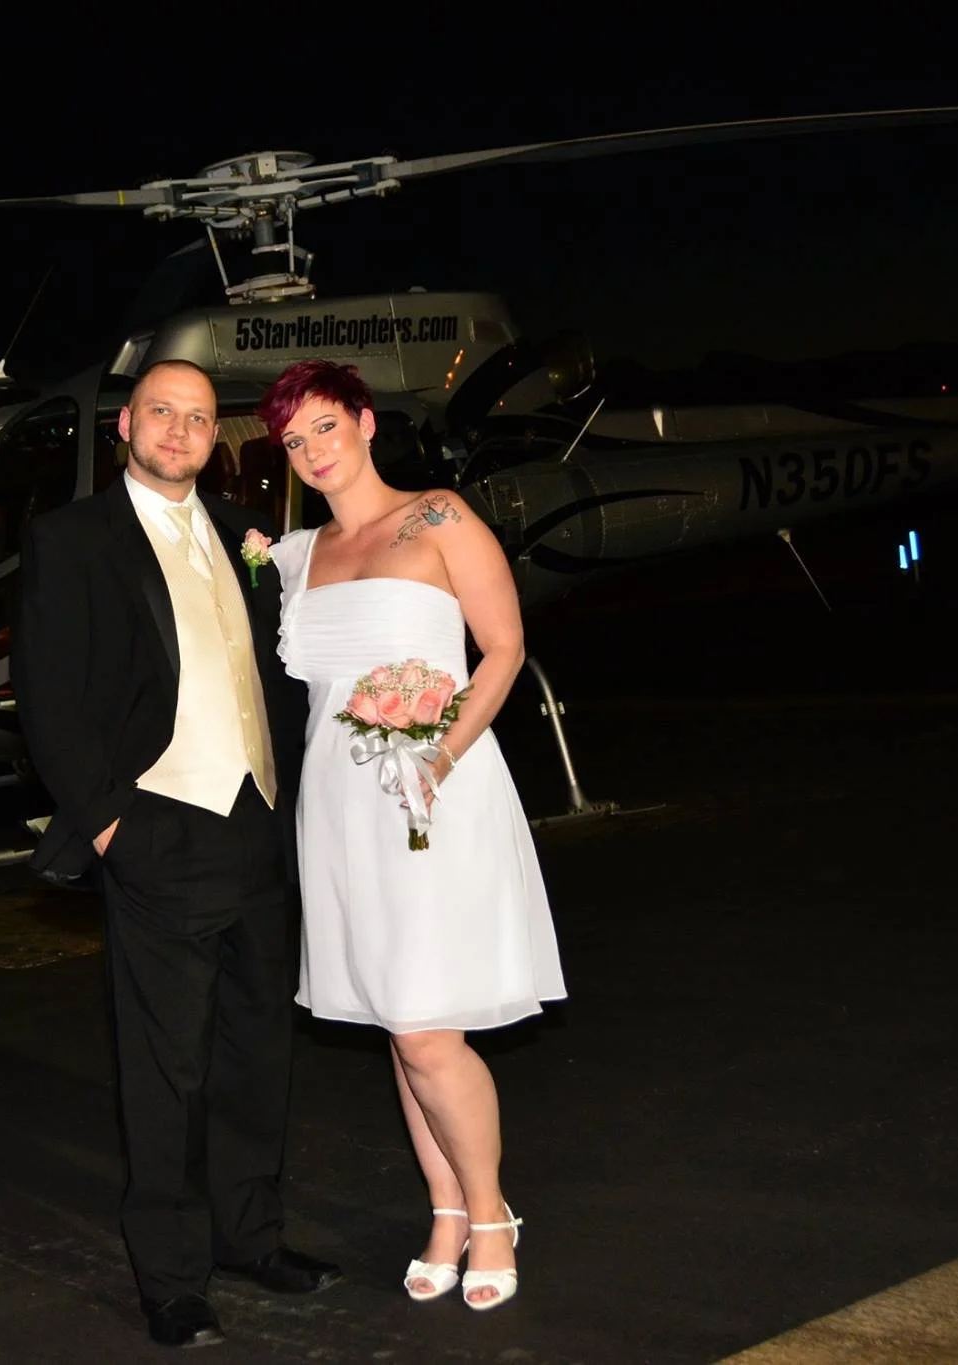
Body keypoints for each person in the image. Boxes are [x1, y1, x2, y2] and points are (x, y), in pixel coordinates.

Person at [11, 358, 341, 1348]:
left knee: (256, 1050)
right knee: (167, 1069)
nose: (179, 430)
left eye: (198, 417)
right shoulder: (71, 538)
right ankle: (171, 1277)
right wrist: (109, 820)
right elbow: (48, 694)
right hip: (159, 825)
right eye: (162, 412)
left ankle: (250, 1236)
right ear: (125, 424)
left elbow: (278, 671)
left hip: (258, 822)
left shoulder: (244, 531)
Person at [258, 359, 566, 1312]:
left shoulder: (438, 514)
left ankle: (490, 1214)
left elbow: (503, 648)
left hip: (434, 792)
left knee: (429, 1030)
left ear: (364, 421)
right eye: (293, 440)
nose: (313, 450)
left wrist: (439, 753)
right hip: (338, 807)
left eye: (325, 425)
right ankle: (444, 1209)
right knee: (400, 1019)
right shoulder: (299, 553)